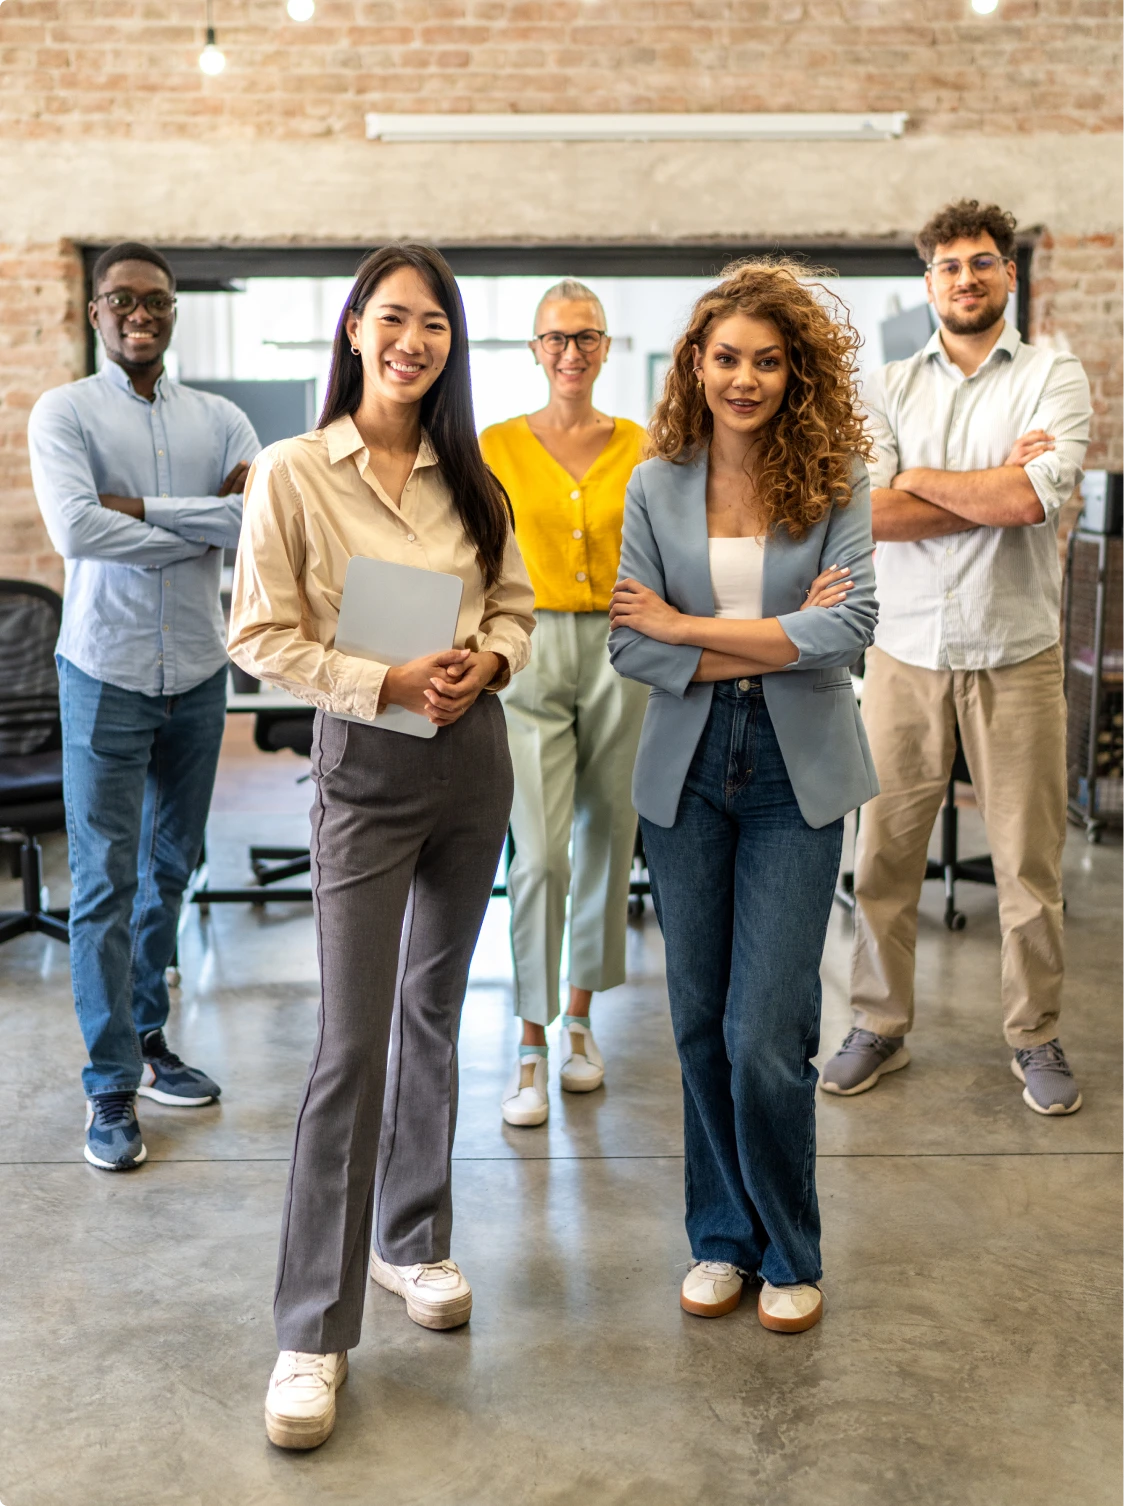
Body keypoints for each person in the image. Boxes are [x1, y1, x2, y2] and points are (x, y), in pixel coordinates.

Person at [228, 244, 534, 1451]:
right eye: (394, 318)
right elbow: (259, 633)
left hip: (475, 758)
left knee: (432, 1015)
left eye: (436, 325)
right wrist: (384, 676)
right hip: (365, 766)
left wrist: (487, 661)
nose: (414, 340)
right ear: (355, 327)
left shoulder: (473, 474)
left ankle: (412, 1242)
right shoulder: (297, 473)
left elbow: (509, 604)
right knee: (349, 1044)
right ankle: (311, 1327)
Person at [609, 259, 879, 1333]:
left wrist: (689, 629)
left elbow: (847, 634)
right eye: (727, 357)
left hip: (793, 775)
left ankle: (787, 1246)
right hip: (683, 774)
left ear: (793, 370)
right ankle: (719, 1238)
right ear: (695, 363)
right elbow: (632, 645)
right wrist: (764, 639)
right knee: (695, 1024)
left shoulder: (835, 475)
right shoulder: (653, 480)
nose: (745, 378)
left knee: (766, 1028)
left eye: (768, 361)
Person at [818, 199, 1092, 1116]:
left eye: (982, 263)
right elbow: (869, 514)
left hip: (1018, 652)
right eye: (948, 266)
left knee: (1027, 865)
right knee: (883, 861)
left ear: (1008, 274)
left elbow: (1031, 504)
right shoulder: (888, 386)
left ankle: (1036, 1035)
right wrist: (988, 485)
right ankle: (877, 1026)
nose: (966, 279)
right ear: (926, 281)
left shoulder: (1055, 374)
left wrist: (919, 479)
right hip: (902, 650)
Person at [27, 241, 258, 1173]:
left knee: (171, 869)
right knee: (102, 885)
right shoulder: (63, 412)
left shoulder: (222, 418)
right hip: (104, 673)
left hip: (198, 675)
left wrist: (140, 512)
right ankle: (110, 1084)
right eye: (121, 298)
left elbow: (257, 523)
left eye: (155, 300)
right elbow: (76, 530)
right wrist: (190, 518)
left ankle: (151, 1044)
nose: (139, 312)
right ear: (96, 312)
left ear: (173, 310)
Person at [479, 280, 648, 1127]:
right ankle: (530, 1037)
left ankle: (580, 1018)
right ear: (536, 351)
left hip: (622, 650)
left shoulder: (646, 446)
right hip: (532, 648)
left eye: (586, 337)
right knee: (539, 855)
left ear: (607, 347)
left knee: (607, 838)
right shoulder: (497, 445)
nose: (571, 352)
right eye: (555, 338)